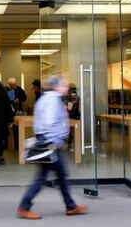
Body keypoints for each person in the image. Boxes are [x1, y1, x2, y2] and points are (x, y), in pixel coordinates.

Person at [17, 76, 88, 219]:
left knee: (58, 175)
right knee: (44, 177)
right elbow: (50, 123)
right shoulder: (52, 101)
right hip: (50, 143)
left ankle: (70, 206)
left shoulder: (46, 99)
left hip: (49, 142)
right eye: (64, 85)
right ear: (56, 87)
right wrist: (54, 142)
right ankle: (24, 207)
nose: (66, 88)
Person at [6, 77, 27, 150]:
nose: (14, 85)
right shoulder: (5, 89)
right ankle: (8, 145)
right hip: (9, 111)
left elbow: (25, 97)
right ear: (9, 84)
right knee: (8, 128)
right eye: (12, 84)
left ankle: (17, 146)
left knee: (18, 128)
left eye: (15, 84)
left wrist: (19, 100)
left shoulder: (19, 89)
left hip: (18, 111)